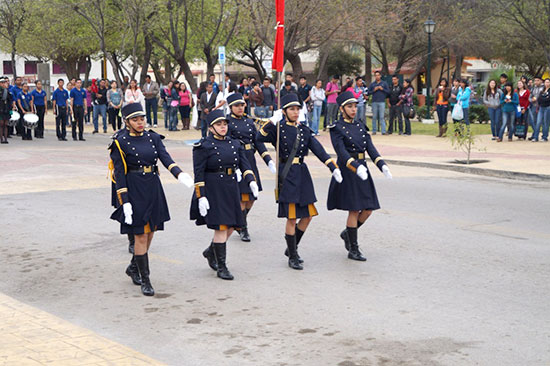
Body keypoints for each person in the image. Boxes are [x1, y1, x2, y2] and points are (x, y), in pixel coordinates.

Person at [109, 103, 193, 295]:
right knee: (140, 234)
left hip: (153, 185)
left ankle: (133, 267)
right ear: (127, 122)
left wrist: (179, 174)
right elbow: (119, 173)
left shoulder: (153, 137)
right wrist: (125, 201)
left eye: (142, 119)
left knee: (151, 231)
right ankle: (145, 279)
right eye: (135, 120)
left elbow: (165, 158)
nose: (140, 123)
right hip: (134, 187)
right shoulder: (120, 142)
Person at [257, 94, 342, 270]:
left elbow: (318, 149)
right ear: (284, 111)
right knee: (292, 216)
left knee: (308, 214)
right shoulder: (278, 129)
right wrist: (272, 122)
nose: (296, 112)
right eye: (292, 109)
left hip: (302, 173)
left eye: (297, 109)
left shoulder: (303, 129)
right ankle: (293, 255)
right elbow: (259, 137)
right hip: (287, 175)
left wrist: (332, 166)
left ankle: (291, 247)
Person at [190, 109, 259, 280]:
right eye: (218, 124)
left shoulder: (235, 143)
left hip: (230, 187)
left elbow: (245, 165)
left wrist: (251, 181)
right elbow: (198, 173)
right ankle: (222, 266)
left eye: (224, 124)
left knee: (234, 225)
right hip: (213, 188)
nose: (223, 127)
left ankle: (211, 251)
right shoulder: (203, 146)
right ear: (211, 127)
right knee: (221, 227)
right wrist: (201, 196)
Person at [327, 91, 392, 261]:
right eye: (349, 106)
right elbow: (341, 152)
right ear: (342, 108)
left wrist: (382, 165)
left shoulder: (361, 126)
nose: (353, 109)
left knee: (369, 208)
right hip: (349, 169)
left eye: (355, 106)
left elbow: (370, 148)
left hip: (363, 168)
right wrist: (355, 167)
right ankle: (353, 249)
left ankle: (348, 233)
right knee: (354, 209)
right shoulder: (337, 128)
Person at [226, 93, 275, 242]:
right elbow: (227, 143)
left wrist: (268, 159)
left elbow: (258, 141)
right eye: (237, 106)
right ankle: (243, 228)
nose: (240, 108)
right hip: (237, 161)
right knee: (242, 197)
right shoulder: (227, 122)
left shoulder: (248, 121)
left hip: (250, 159)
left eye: (242, 105)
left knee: (252, 197)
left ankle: (238, 221)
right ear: (230, 107)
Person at [531, 78, 550, 142]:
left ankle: (544, 137)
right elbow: (539, 98)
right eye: (546, 82)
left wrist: (543, 98)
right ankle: (535, 137)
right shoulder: (542, 90)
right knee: (538, 122)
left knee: (545, 122)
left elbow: (548, 99)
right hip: (541, 107)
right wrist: (544, 98)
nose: (547, 84)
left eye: (548, 82)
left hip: (547, 107)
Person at [0, 77, 14, 144]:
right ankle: (1, 139)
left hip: (6, 109)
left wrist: (11, 110)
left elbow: (10, 100)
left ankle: (5, 138)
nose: (3, 84)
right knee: (1, 124)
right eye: (2, 83)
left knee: (6, 124)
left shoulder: (7, 91)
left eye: (4, 83)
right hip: (0, 110)